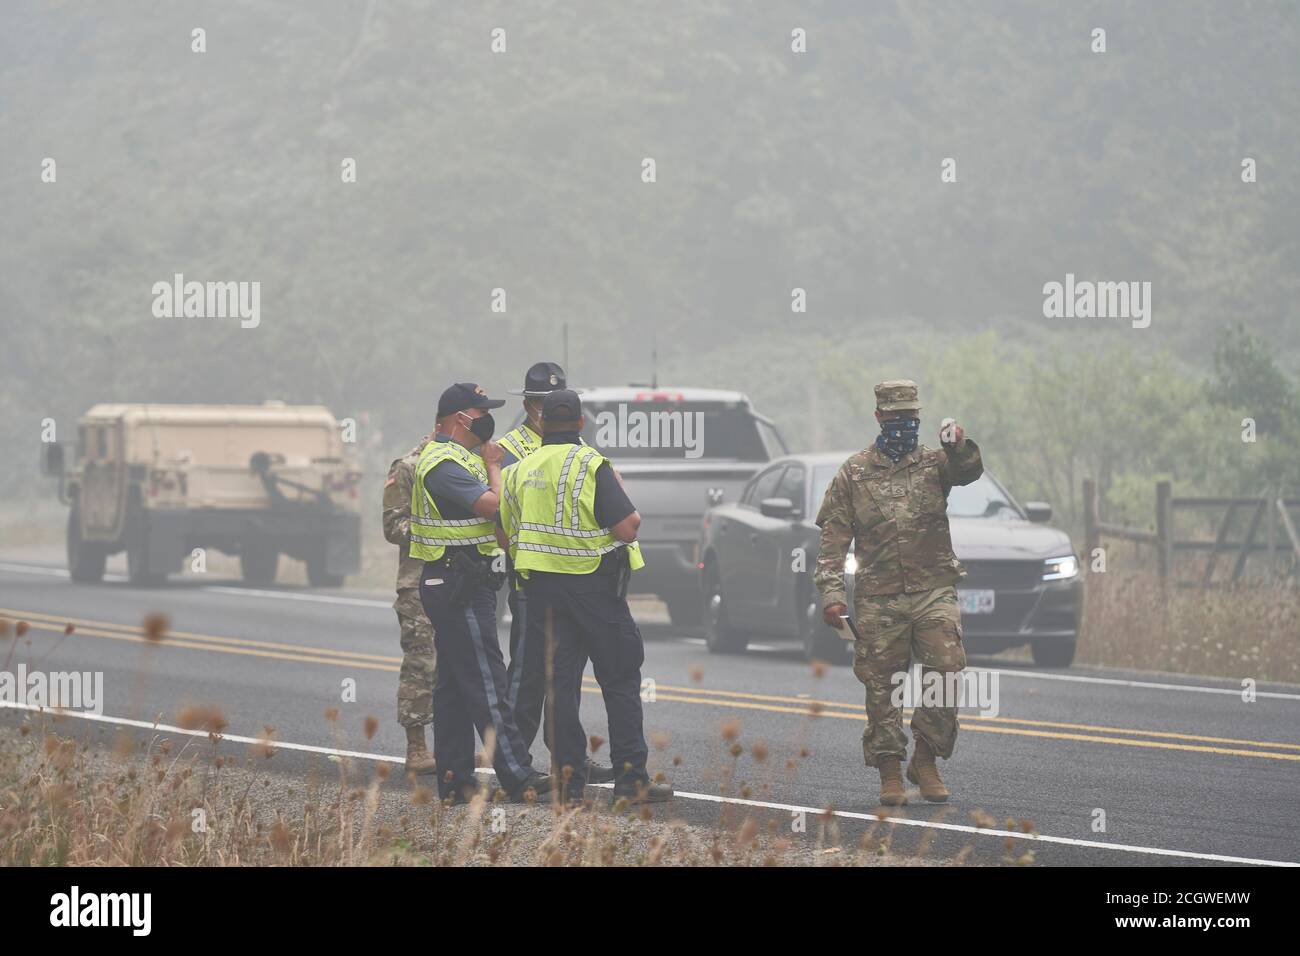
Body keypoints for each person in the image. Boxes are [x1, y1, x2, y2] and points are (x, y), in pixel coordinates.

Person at [813, 380, 982, 806]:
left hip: (933, 589)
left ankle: (925, 758)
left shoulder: (933, 464)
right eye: (894, 418)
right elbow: (832, 540)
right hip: (879, 596)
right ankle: (890, 770)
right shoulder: (853, 473)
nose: (903, 424)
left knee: (947, 669)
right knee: (882, 686)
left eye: (910, 417)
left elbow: (967, 472)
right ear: (878, 418)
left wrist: (959, 444)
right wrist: (832, 593)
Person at [499, 389, 672, 806]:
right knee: (620, 679)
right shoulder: (590, 464)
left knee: (559, 684)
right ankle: (630, 783)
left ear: (541, 423)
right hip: (594, 589)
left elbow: (505, 535)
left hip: (542, 593)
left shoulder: (519, 470)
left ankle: (569, 783)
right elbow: (627, 527)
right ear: (580, 423)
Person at [412, 382, 551, 804]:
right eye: (481, 411)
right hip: (457, 582)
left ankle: (456, 783)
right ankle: (517, 774)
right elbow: (493, 506)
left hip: (464, 579)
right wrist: (494, 465)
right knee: (489, 681)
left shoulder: (460, 457)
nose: (488, 419)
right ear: (460, 419)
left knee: (454, 687)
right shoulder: (442, 462)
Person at [499, 363, 615, 784]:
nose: (549, 410)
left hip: (575, 578)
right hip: (533, 577)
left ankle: (567, 761)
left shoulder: (574, 443)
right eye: (543, 404)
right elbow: (501, 517)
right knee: (528, 674)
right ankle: (514, 766)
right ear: (529, 406)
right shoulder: (509, 450)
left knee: (565, 675)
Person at [382, 432, 437, 773]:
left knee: (461, 669)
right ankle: (416, 749)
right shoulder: (408, 467)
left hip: (459, 583)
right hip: (418, 584)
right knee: (422, 666)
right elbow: (392, 526)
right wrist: (440, 530)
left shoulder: (466, 463)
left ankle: (452, 747)